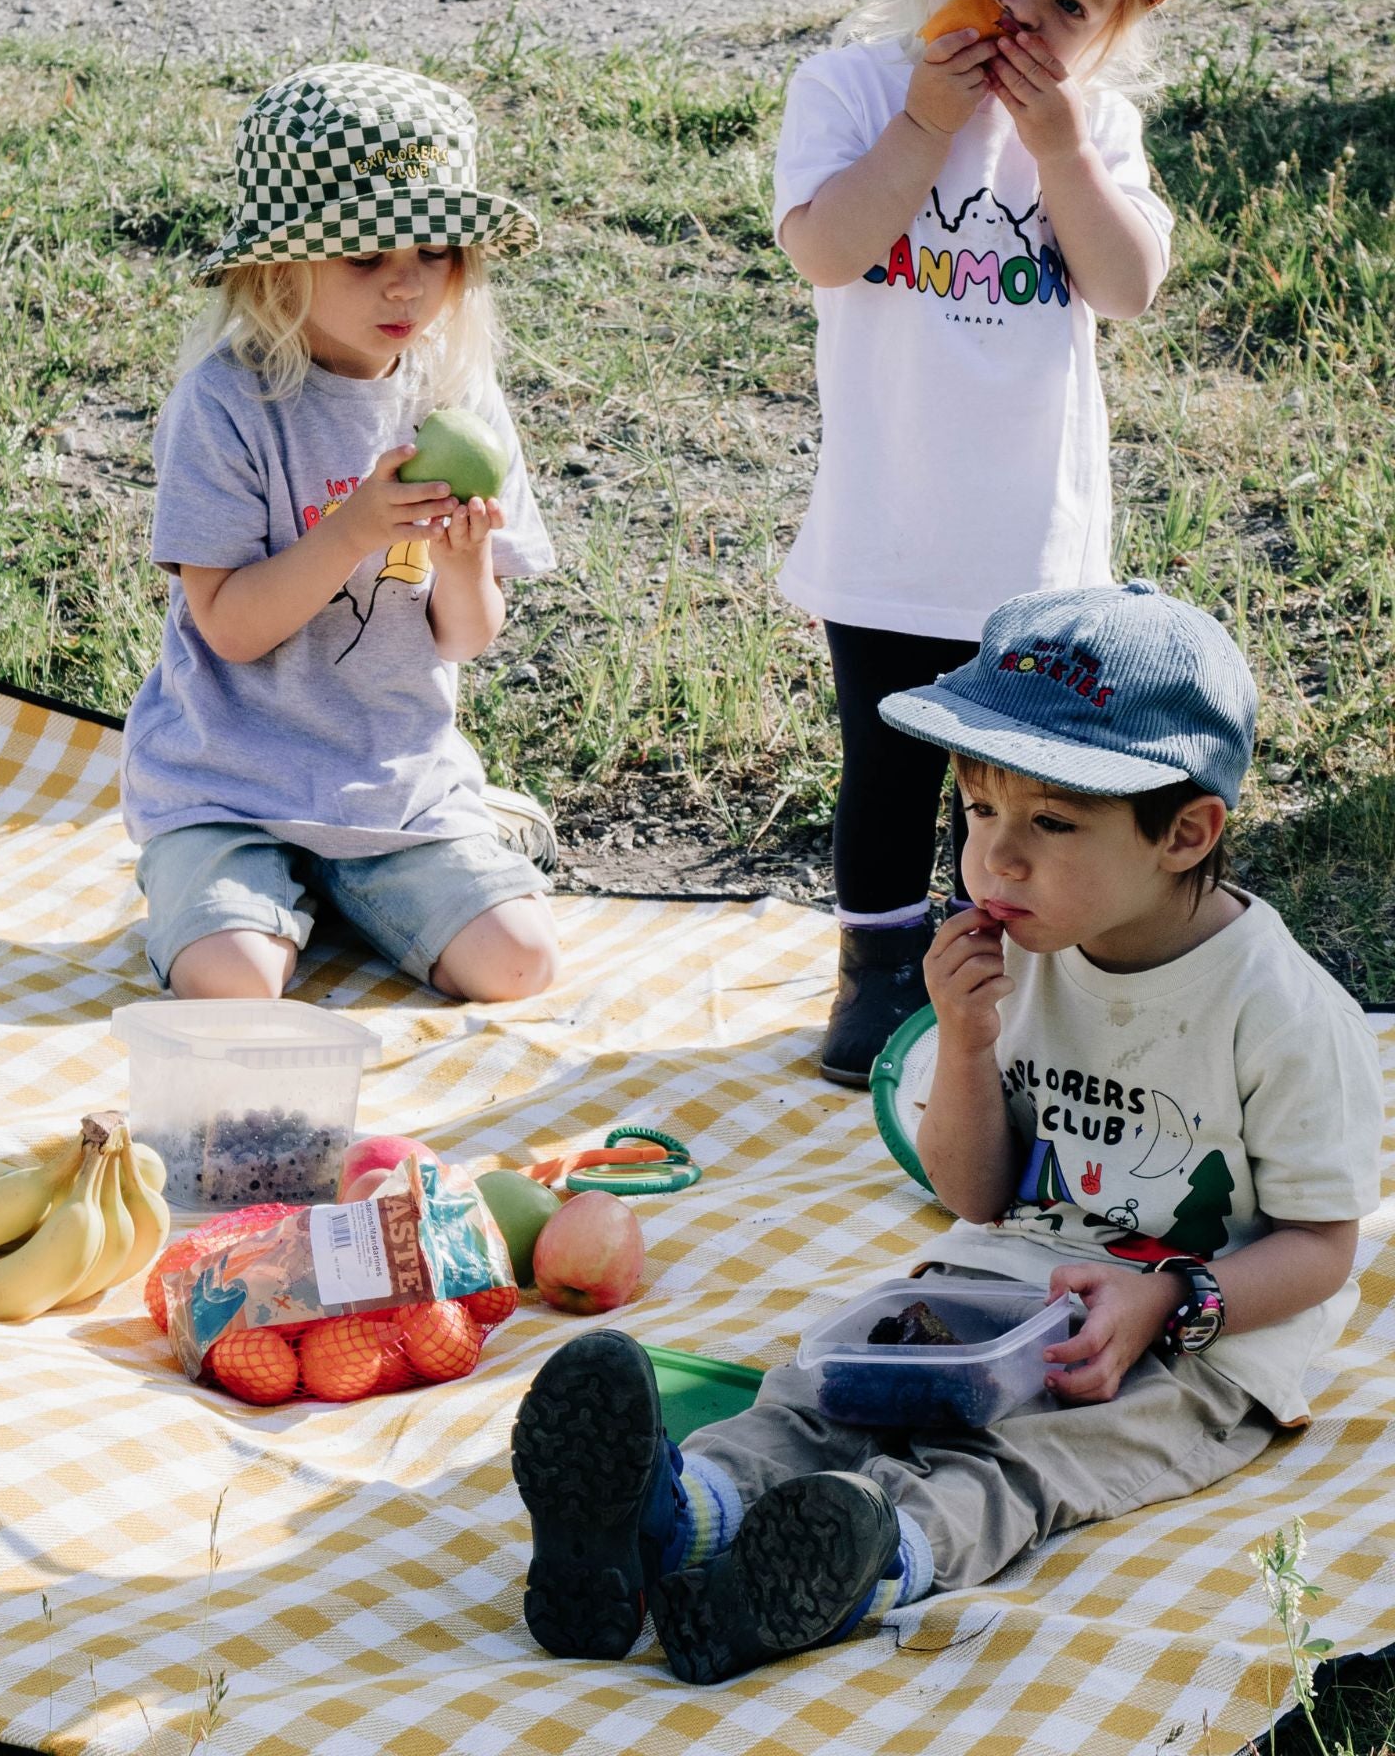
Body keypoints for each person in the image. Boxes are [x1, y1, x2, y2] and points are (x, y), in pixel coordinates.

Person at [510, 581, 1384, 1684]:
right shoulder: (1015, 952)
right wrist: (965, 1047)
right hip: (995, 1280)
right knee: (825, 1389)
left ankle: (868, 1557)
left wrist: (1167, 1300)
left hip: (1192, 1340)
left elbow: (1323, 1244)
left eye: (1050, 822)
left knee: (1021, 1456)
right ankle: (678, 1517)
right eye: (976, 813)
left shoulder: (1282, 1012)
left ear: (1186, 831)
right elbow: (975, 1197)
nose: (995, 860)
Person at [772, 0, 1189, 1084]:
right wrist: (920, 130)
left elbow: (1123, 285)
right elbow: (823, 248)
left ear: (1106, 39)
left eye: (1070, 8)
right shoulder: (849, 89)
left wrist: (1058, 144)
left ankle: (1019, 954)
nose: (1021, 15)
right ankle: (879, 968)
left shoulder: (1092, 133)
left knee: (1026, 783)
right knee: (888, 771)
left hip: (1032, 544)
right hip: (889, 530)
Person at [120, 62, 561, 1004]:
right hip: (228, 781)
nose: (407, 287)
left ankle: (353, 881)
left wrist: (465, 561)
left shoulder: (456, 400)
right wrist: (353, 528)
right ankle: (220, 883)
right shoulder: (227, 405)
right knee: (233, 983)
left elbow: (471, 637)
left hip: (390, 782)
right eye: (366, 257)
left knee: (521, 961)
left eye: (435, 253)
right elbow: (231, 629)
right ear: (282, 265)